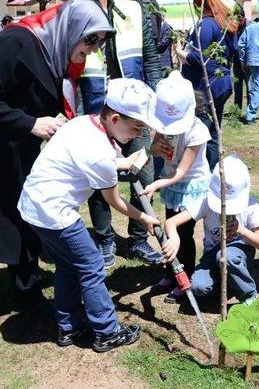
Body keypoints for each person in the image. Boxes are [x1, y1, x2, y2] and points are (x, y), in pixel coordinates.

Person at [0, 0, 115, 330]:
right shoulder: (15, 41)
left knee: (26, 210)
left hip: (13, 140)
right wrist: (31, 124)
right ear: (71, 29)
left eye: (98, 42)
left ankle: (27, 291)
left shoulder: (63, 57)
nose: (93, 48)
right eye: (89, 39)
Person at [18, 78, 160, 352]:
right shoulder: (100, 153)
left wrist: (123, 162)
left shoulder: (83, 123)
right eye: (135, 129)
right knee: (92, 265)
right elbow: (116, 201)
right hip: (54, 213)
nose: (136, 135)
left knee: (68, 266)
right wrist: (144, 219)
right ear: (116, 118)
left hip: (33, 207)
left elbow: (95, 159)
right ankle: (107, 331)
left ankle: (69, 327)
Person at [73, 0, 164, 267]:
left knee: (146, 174)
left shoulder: (133, 10)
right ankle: (104, 240)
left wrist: (154, 108)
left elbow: (150, 58)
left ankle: (138, 239)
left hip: (134, 112)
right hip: (95, 111)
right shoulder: (73, 17)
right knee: (100, 180)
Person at [142, 71, 211, 303]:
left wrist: (157, 183)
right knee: (167, 229)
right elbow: (153, 149)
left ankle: (186, 275)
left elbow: (182, 171)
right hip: (171, 184)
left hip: (191, 186)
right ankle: (171, 273)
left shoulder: (197, 131)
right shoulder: (164, 124)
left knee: (184, 233)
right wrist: (157, 148)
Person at [162, 155, 259, 305]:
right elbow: (171, 222)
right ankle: (229, 280)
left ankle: (249, 296)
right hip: (212, 253)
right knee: (198, 287)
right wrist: (174, 238)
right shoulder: (206, 203)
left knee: (226, 258)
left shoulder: (251, 206)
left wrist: (241, 230)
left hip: (239, 252)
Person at [176, 0, 238, 171]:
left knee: (205, 130)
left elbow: (202, 60)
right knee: (215, 127)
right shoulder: (225, 24)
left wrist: (180, 52)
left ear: (198, 5)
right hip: (222, 82)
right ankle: (215, 165)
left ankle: (209, 168)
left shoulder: (206, 25)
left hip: (207, 86)